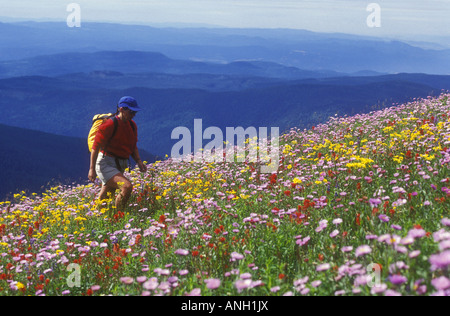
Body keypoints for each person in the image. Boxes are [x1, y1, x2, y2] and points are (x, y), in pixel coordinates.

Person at [88, 96, 148, 210]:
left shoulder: (132, 125)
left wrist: (139, 161)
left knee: (107, 194)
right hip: (105, 163)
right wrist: (91, 169)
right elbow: (96, 146)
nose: (133, 114)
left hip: (120, 164)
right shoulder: (109, 125)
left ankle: (96, 216)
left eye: (135, 112)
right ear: (121, 109)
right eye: (131, 111)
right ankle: (118, 217)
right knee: (127, 187)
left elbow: (133, 145)